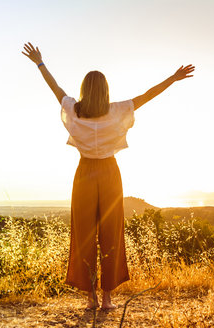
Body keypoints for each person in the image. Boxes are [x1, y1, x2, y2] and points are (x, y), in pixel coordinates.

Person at [21, 42, 194, 309]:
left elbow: (56, 89)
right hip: (110, 173)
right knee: (112, 233)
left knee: (85, 234)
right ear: (105, 91)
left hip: (84, 173)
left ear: (83, 90)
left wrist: (40, 63)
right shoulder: (116, 111)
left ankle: (90, 299)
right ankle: (107, 299)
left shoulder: (74, 110)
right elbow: (149, 95)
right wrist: (173, 78)